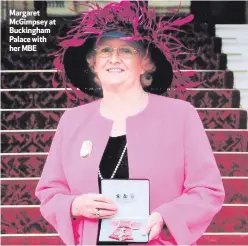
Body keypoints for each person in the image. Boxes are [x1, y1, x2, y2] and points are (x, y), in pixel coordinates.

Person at [35, 1, 225, 245]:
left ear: (145, 62)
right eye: (105, 50)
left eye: (126, 50)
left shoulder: (181, 116)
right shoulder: (72, 121)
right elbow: (50, 193)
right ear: (93, 63)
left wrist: (166, 216)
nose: (114, 58)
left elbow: (207, 191)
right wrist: (74, 205)